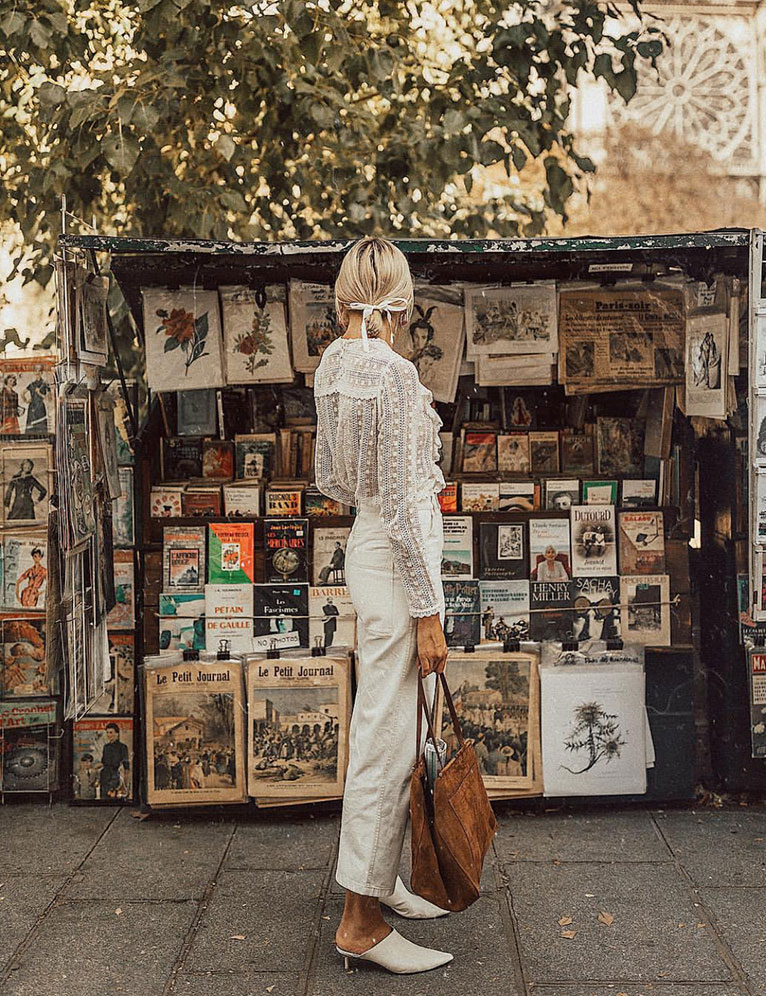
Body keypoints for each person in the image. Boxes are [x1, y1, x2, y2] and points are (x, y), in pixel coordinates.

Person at [314, 237, 452, 975]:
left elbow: (333, 482)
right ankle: (360, 921)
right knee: (388, 738)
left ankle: (380, 882)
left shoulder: (333, 367)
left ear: (341, 300)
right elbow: (404, 503)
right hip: (399, 563)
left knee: (385, 725)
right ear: (401, 305)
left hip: (368, 548)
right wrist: (428, 612)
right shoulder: (394, 376)